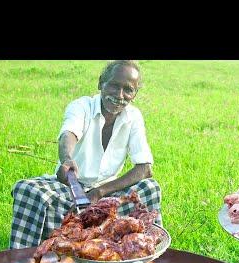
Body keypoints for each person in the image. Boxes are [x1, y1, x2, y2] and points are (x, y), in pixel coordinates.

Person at [9, 60, 161, 249]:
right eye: (114, 85)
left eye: (127, 90)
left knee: (150, 187)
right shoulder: (82, 106)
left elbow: (145, 169)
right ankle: (24, 259)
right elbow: (69, 133)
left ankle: (141, 249)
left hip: (108, 190)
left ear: (134, 94)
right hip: (70, 187)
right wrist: (67, 159)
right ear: (100, 83)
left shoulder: (134, 117)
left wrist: (99, 192)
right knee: (27, 190)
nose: (119, 95)